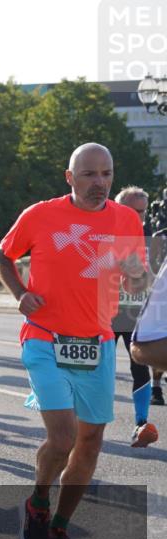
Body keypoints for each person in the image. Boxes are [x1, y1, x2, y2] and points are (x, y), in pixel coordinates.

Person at [0, 143, 148, 539]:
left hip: (96, 343)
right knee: (62, 437)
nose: (100, 183)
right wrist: (20, 293)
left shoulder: (126, 219)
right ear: (70, 177)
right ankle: (39, 501)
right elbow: (2, 256)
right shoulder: (41, 215)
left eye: (106, 174)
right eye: (89, 175)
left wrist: (139, 277)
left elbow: (136, 281)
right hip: (44, 338)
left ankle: (60, 525)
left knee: (92, 441)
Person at [110, 186, 159, 448]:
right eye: (133, 211)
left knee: (139, 368)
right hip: (103, 312)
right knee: (98, 370)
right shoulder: (103, 231)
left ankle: (141, 424)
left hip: (134, 313)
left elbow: (155, 279)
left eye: (142, 211)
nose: (138, 217)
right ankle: (82, 424)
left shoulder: (151, 237)